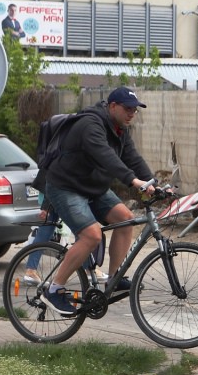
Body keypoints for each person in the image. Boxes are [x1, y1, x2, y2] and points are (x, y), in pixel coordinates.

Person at [39, 87, 156, 316]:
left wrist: (154, 183)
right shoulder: (90, 124)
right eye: (127, 108)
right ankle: (54, 289)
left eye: (135, 110)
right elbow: (105, 156)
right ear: (112, 106)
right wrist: (133, 181)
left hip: (93, 187)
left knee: (126, 219)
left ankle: (114, 278)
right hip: (66, 187)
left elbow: (133, 159)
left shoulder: (120, 130)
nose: (132, 113)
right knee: (91, 236)